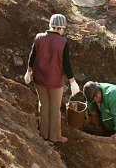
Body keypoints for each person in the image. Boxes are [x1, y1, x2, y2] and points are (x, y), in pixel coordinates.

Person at [24, 14, 80, 144]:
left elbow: (32, 56)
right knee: (54, 108)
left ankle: (44, 134)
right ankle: (55, 137)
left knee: (43, 105)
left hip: (39, 79)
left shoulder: (39, 38)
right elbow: (66, 64)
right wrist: (72, 81)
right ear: (61, 28)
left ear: (50, 26)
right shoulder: (63, 42)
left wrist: (28, 71)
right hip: (55, 81)